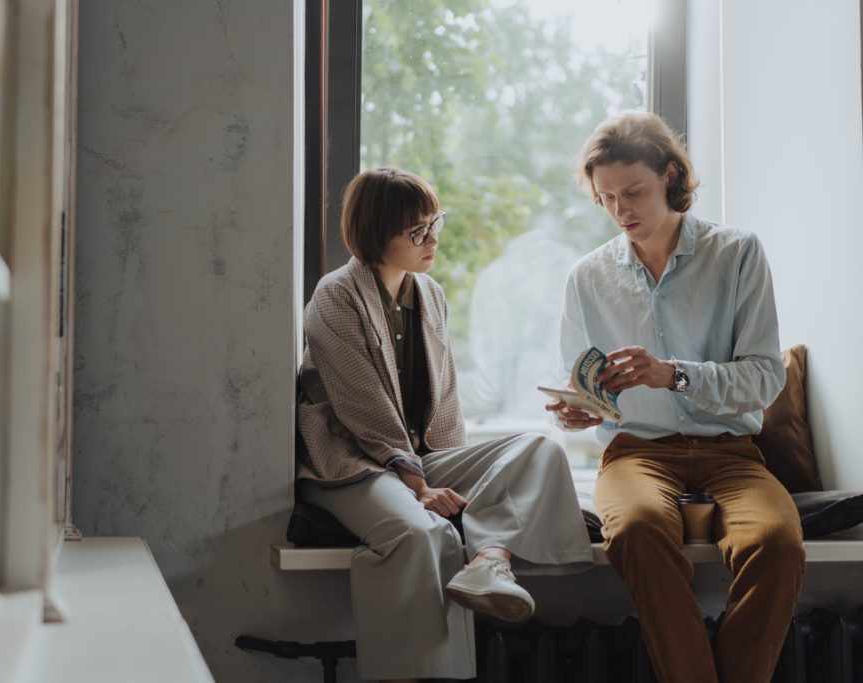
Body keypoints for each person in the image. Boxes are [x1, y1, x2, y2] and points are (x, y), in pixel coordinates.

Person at [297, 167, 593, 682]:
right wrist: (417, 484)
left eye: (434, 223)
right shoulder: (335, 295)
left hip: (418, 456)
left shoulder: (428, 294)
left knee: (538, 450)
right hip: (351, 462)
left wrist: (447, 475)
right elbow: (361, 406)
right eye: (416, 231)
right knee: (421, 534)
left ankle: (490, 562)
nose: (432, 239)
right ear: (374, 232)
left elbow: (446, 399)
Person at [547, 111, 804, 683]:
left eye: (634, 191)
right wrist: (575, 409)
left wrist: (675, 376)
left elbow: (765, 377)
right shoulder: (586, 278)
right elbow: (582, 387)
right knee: (636, 530)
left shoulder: (737, 253)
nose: (622, 211)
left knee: (778, 542)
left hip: (732, 452)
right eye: (607, 197)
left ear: (669, 175)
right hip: (635, 451)